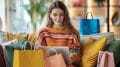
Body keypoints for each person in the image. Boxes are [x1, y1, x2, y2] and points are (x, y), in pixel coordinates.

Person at [36, 1, 81, 67]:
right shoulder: (43, 33)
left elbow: (77, 54)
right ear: (50, 15)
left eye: (61, 15)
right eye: (55, 15)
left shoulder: (73, 33)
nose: (58, 18)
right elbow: (38, 53)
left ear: (65, 15)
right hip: (48, 64)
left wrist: (71, 58)